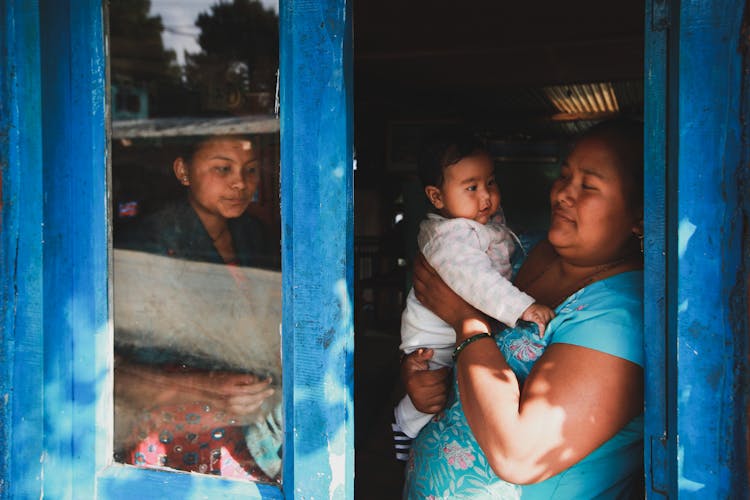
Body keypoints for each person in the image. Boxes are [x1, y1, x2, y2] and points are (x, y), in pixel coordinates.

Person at [402, 119, 645, 498]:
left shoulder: (620, 314)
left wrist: (466, 319)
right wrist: (427, 379)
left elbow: (520, 456)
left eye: (588, 186)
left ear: (641, 216)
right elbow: (439, 312)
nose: (564, 193)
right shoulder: (515, 248)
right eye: (564, 176)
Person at [114, 134, 281, 482]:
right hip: (177, 418)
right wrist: (209, 385)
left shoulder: (252, 233)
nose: (240, 182)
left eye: (250, 170)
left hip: (246, 398)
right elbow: (124, 367)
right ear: (183, 171)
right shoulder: (151, 243)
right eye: (222, 168)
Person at [393, 132, 554, 461]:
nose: (487, 197)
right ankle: (404, 421)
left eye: (490, 182)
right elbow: (478, 282)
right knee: (433, 389)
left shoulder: (475, 225)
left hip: (454, 330)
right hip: (433, 339)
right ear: (437, 197)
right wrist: (523, 307)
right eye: (472, 187)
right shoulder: (449, 239)